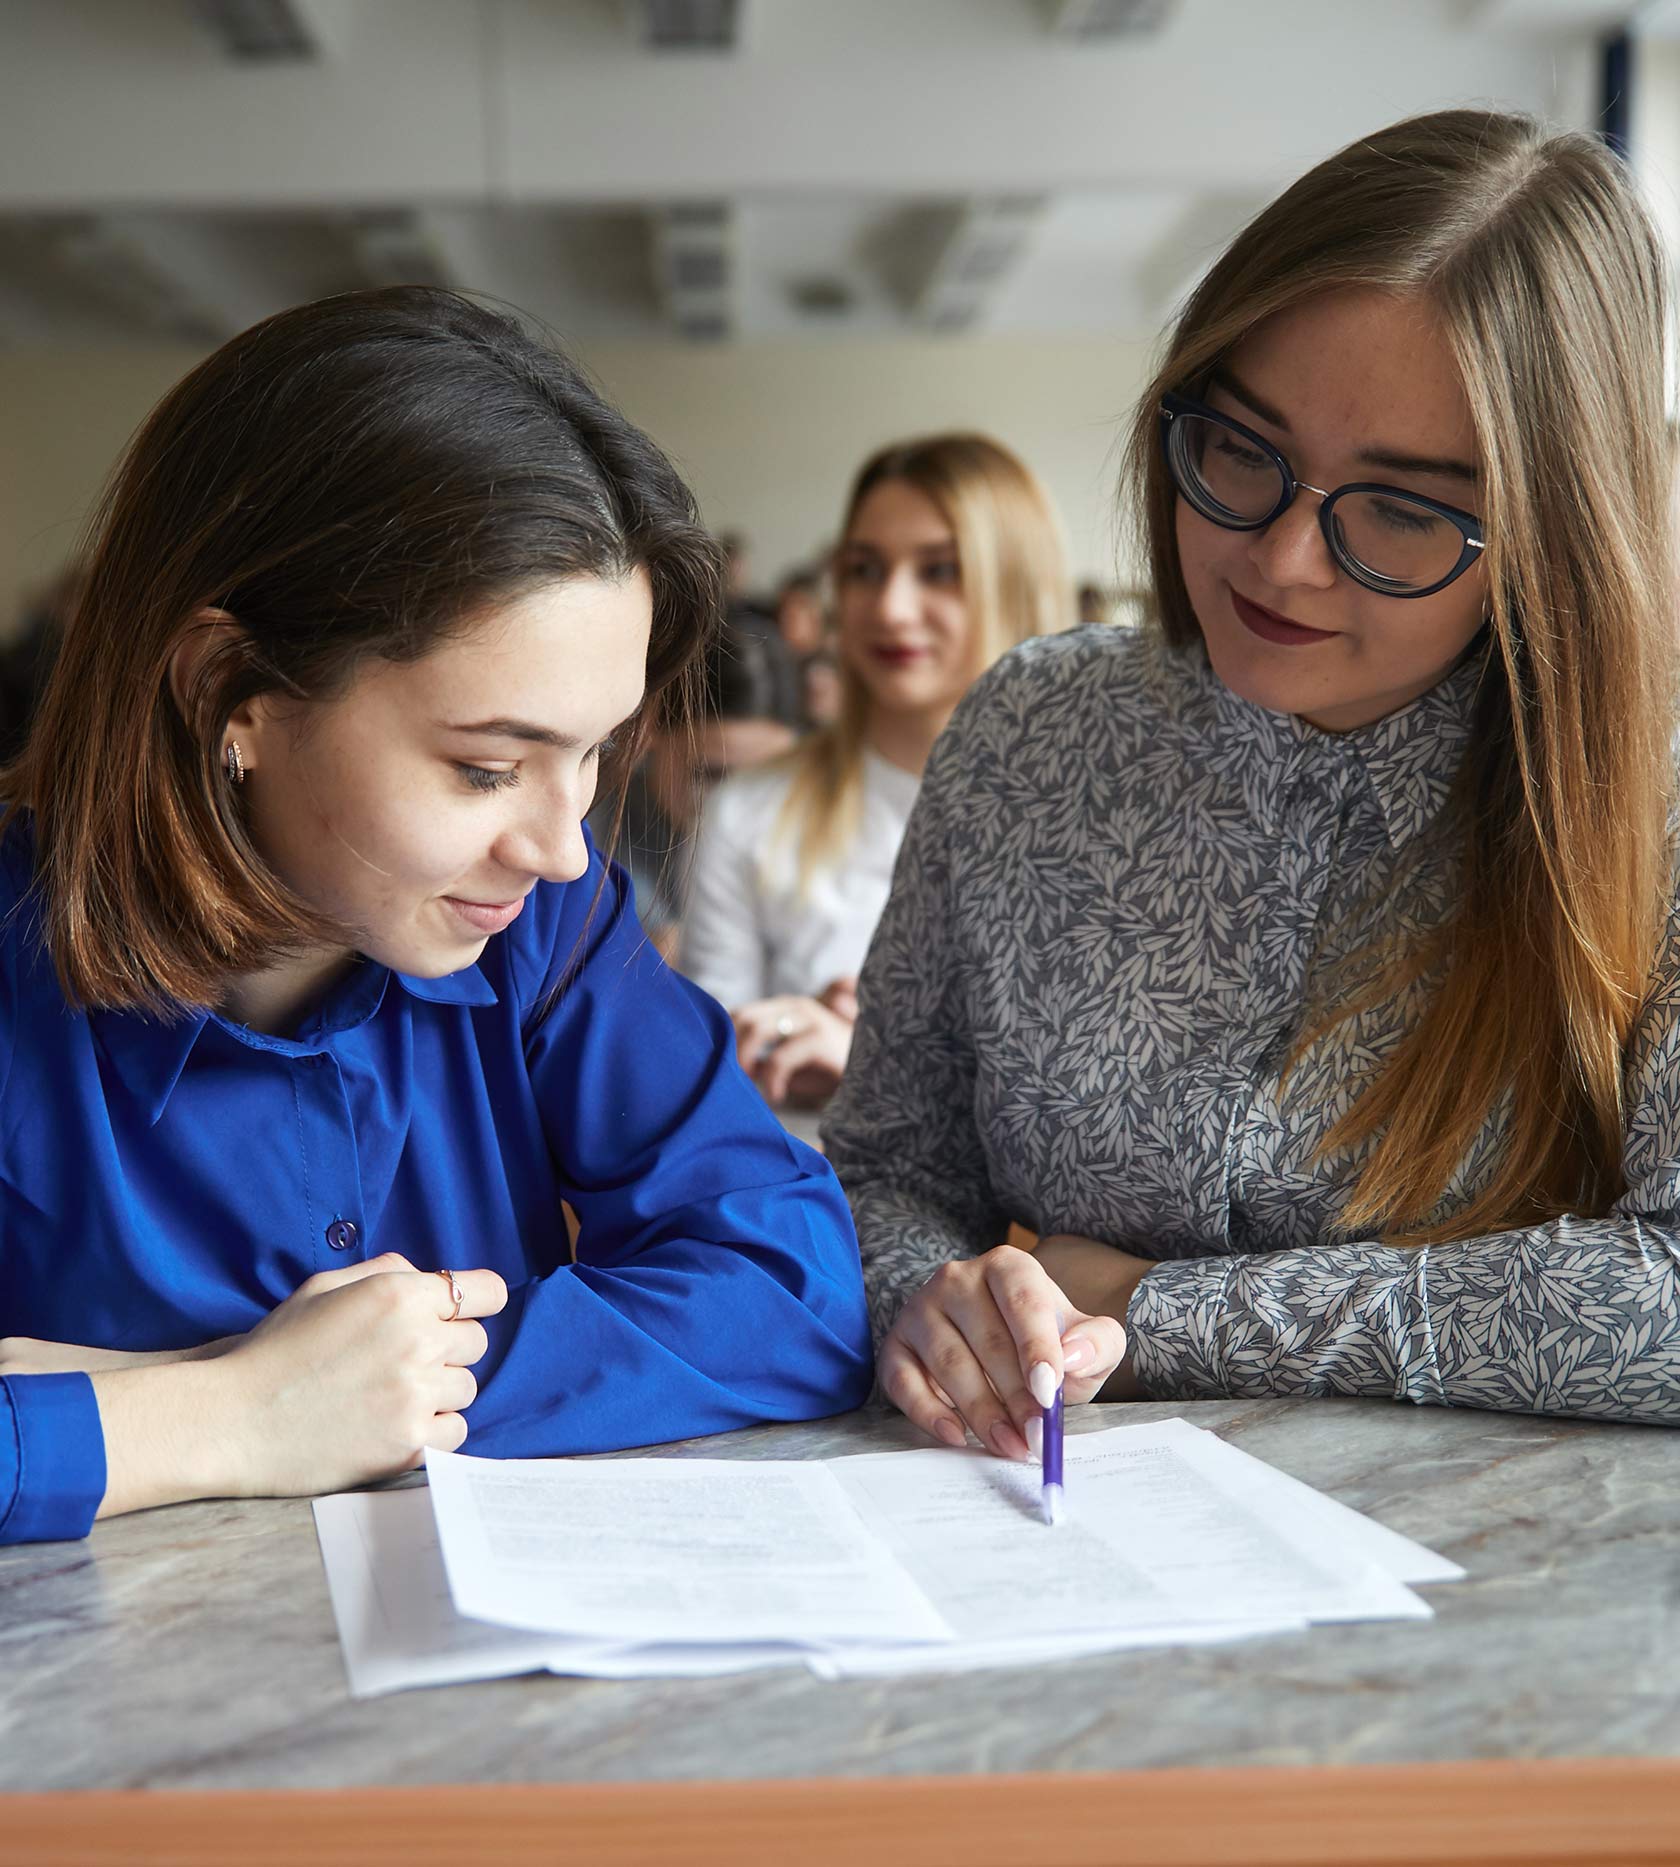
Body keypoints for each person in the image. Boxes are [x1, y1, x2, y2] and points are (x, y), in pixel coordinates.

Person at [825, 108, 1680, 1463]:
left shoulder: (1654, 805)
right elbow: (885, 1169)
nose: (1281, 559)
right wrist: (929, 1300)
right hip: (1029, 1543)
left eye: (1400, 506)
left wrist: (1156, 1311)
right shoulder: (1034, 730)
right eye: (1241, 449)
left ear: (1550, 537)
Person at [0, 287, 872, 1547]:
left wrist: (326, 1401)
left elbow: (789, 1280)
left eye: (592, 755)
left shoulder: (543, 932)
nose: (566, 850)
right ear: (225, 690)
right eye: (483, 767)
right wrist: (231, 1416)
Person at [679, 433, 1071, 1108]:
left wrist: (882, 1060)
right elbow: (705, 1071)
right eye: (864, 569)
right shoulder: (749, 811)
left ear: (1013, 584)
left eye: (940, 570)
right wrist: (776, 1039)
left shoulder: (1099, 822)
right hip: (806, 1196)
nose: (890, 607)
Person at [590, 619, 796, 955]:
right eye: (710, 775)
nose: (737, 810)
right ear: (649, 730)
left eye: (766, 780)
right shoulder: (589, 839)